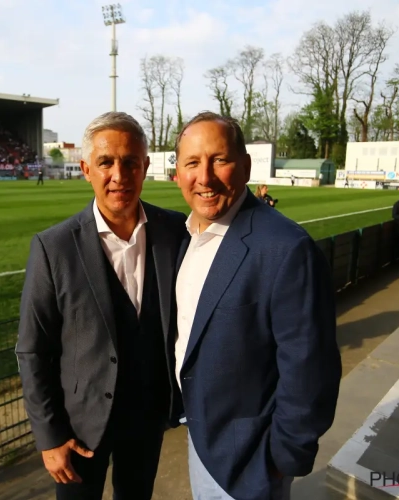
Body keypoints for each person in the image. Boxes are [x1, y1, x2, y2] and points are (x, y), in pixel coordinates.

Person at [15, 111, 187, 500]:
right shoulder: (53, 247)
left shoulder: (176, 231)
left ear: (145, 167)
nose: (119, 175)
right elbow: (32, 349)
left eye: (130, 162)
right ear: (86, 169)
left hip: (147, 418)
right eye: (106, 162)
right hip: (79, 429)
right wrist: (49, 436)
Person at [173, 111, 341, 500]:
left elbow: (310, 367)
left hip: (252, 457)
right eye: (193, 163)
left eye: (220, 160)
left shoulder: (285, 246)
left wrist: (283, 457)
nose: (205, 177)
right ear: (177, 173)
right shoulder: (184, 237)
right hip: (201, 433)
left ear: (245, 166)